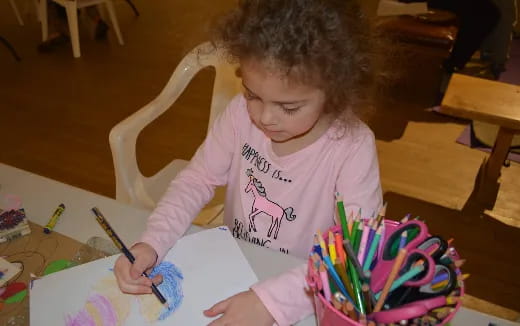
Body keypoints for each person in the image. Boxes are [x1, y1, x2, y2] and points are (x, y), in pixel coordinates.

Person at [113, 0, 383, 325]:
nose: (265, 117)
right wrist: (153, 241)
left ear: (336, 91)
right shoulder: (240, 114)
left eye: (290, 107)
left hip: (305, 289)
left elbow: (357, 255)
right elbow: (197, 179)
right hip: (235, 260)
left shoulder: (353, 147)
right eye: (252, 94)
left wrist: (270, 304)